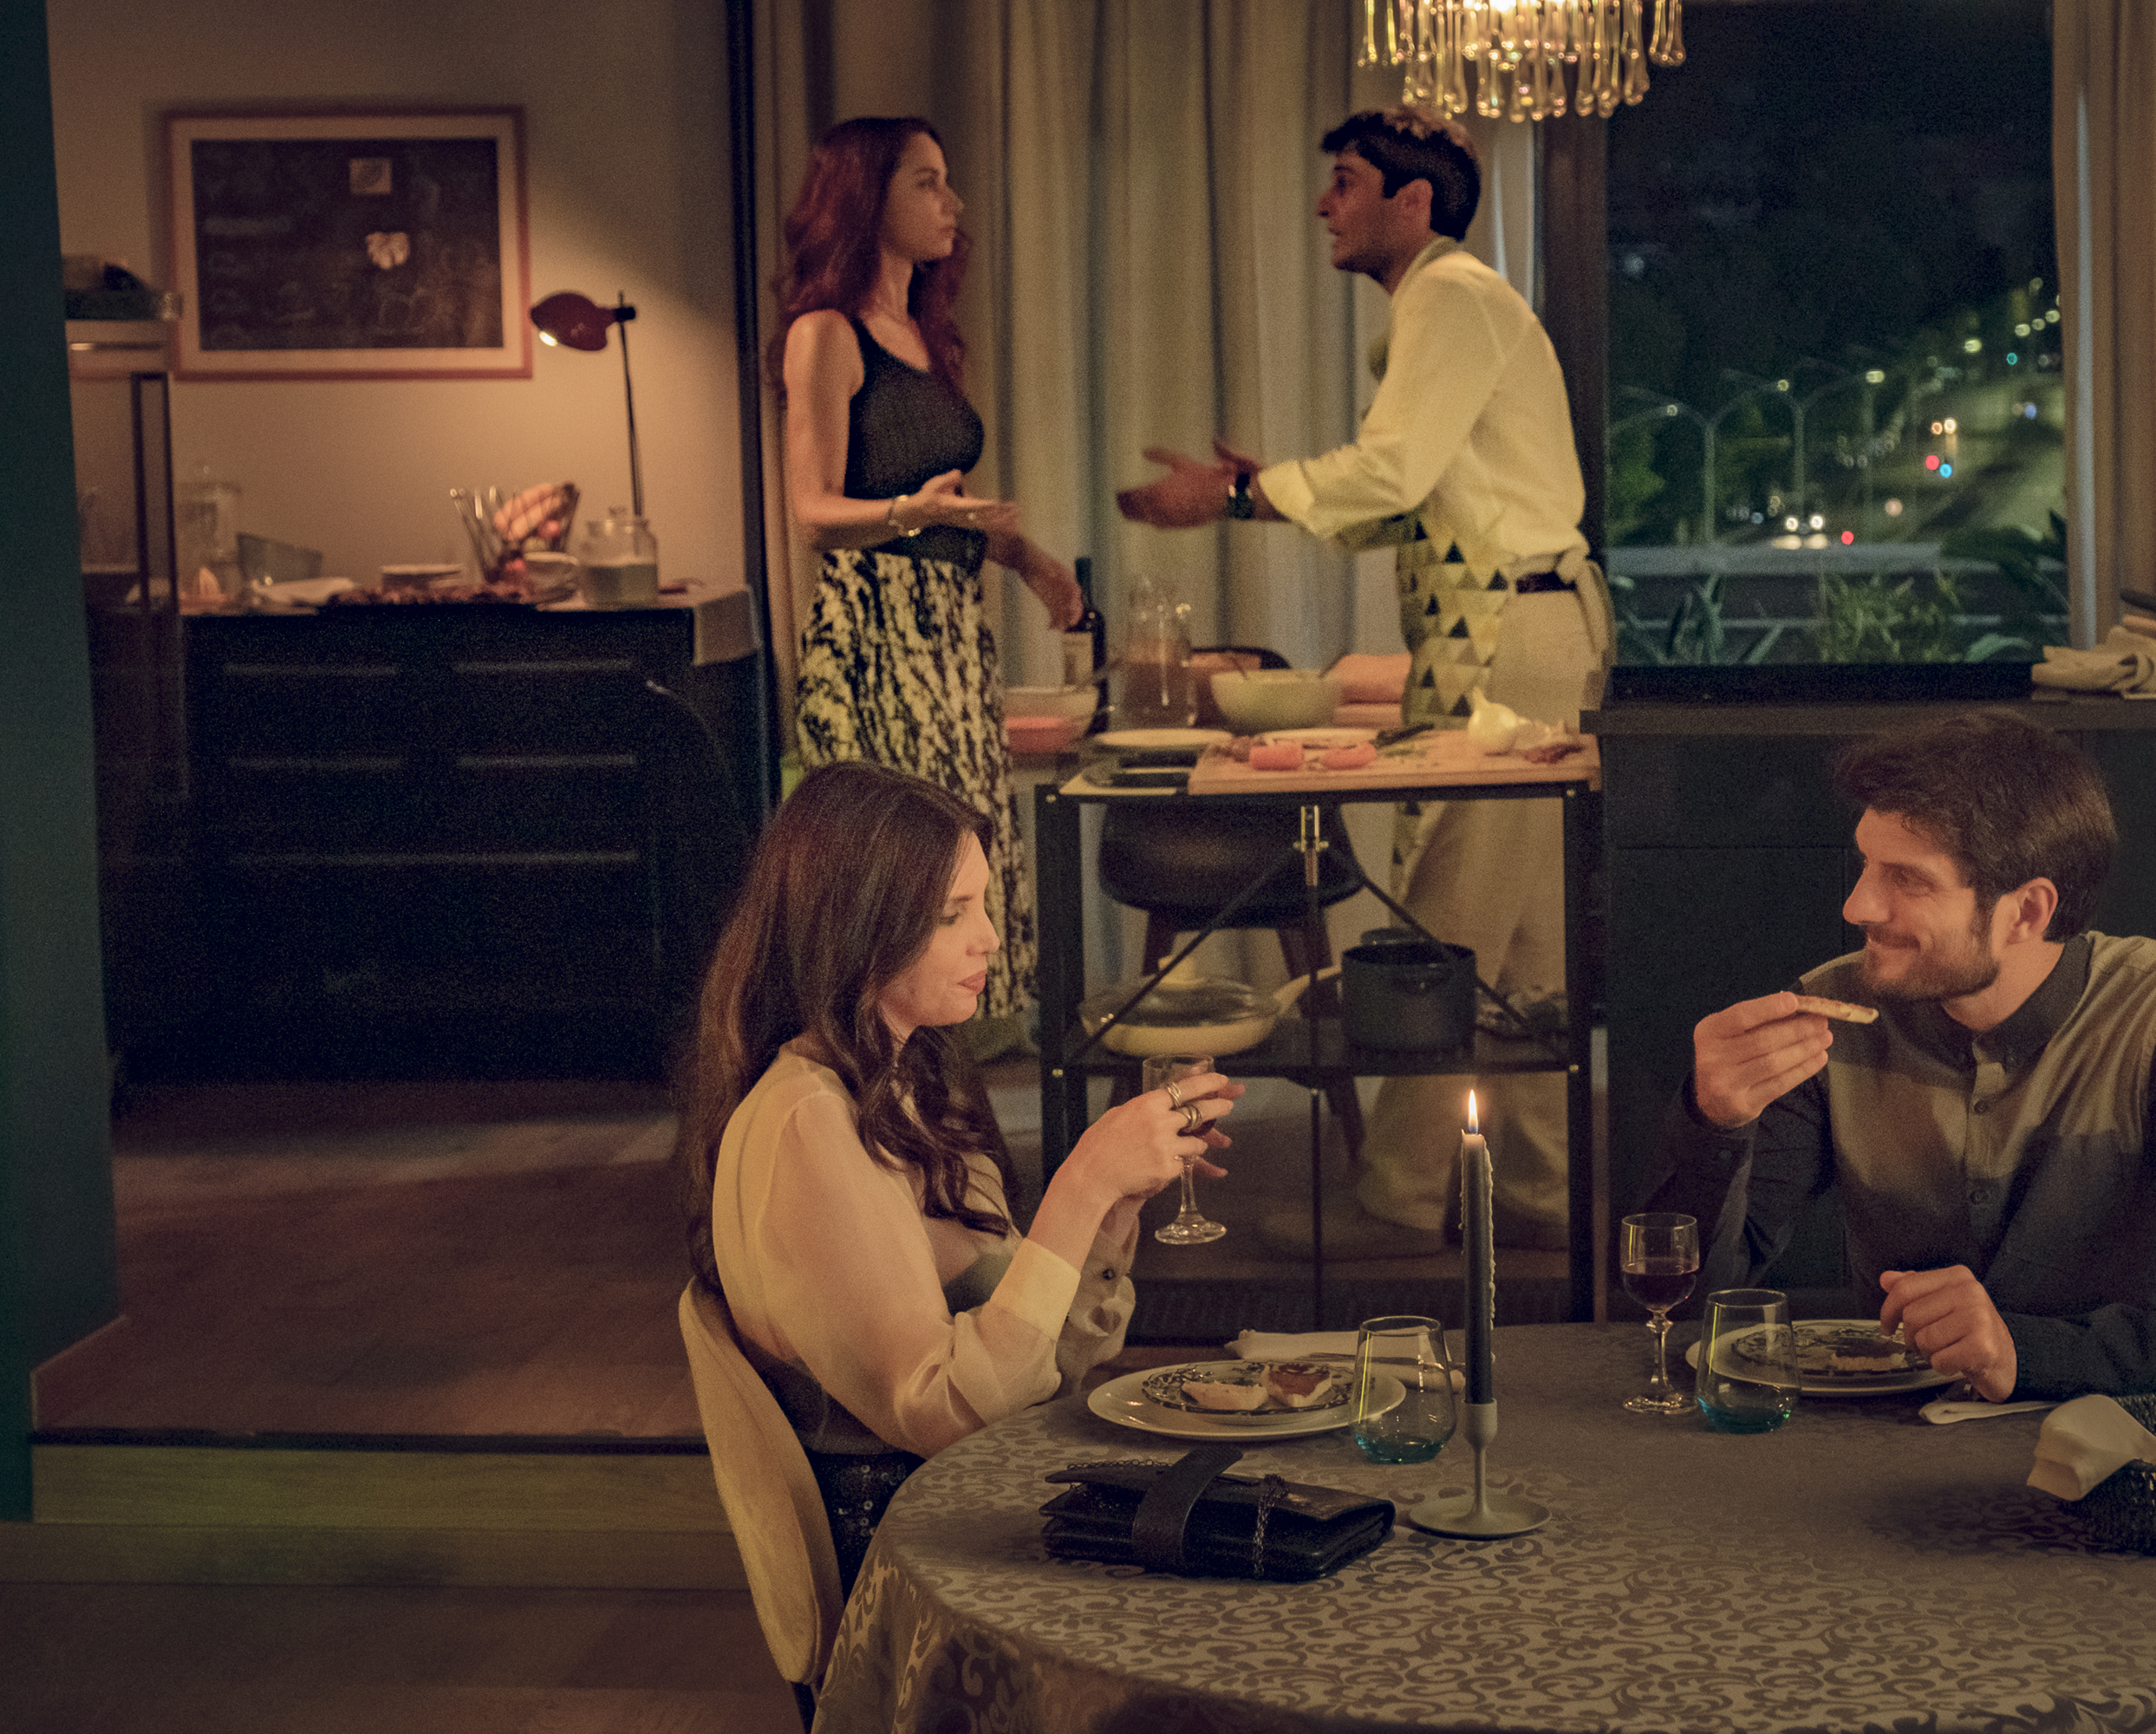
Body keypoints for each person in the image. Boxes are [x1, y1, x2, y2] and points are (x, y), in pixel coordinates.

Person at [1117, 105, 1606, 1260]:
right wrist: (1260, 493)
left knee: (1448, 923)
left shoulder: (1449, 296)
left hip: (1514, 633)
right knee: (1523, 946)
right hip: (1530, 623)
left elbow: (1391, 471)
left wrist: (1241, 496)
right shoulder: (1451, 303)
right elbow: (1414, 496)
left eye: (1345, 181)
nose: (1324, 204)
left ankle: (1398, 1198)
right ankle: (1543, 1194)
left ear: (1412, 201)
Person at [673, 762, 1240, 1586]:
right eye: (951, 914)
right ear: (858, 927)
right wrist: (1081, 1182)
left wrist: (1115, 1203)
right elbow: (945, 1413)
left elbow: (1044, 1367)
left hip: (976, 1499)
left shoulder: (903, 1081)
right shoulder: (805, 1123)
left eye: (982, 904)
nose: (990, 938)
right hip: (911, 1554)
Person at [1648, 710, 2156, 1403]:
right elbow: (1691, 1306)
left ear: (2026, 912)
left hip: (2115, 1437)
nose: (1857, 905)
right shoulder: (1829, 1013)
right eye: (1867, 864)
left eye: (1907, 879)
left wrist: (2025, 1352)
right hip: (1890, 1439)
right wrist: (1712, 1122)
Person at [772, 117, 1083, 1054]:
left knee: (962, 861)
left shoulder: (922, 335)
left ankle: (944, 1090)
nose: (952, 203)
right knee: (900, 878)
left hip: (950, 636)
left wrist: (1030, 562)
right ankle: (874, 1089)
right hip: (873, 635)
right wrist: (913, 512)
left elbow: (951, 510)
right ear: (866, 197)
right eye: (927, 182)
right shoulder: (825, 333)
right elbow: (813, 510)